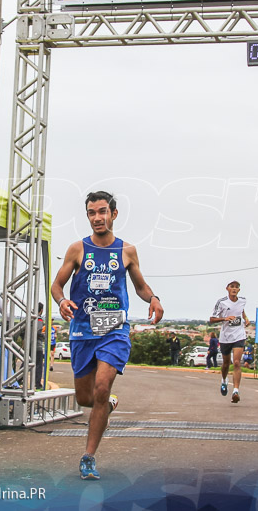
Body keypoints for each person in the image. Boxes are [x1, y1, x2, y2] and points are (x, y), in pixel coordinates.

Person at [50, 191, 163, 481]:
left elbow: (139, 286)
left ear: (114, 214)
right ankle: (107, 403)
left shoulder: (127, 251)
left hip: (114, 330)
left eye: (102, 212)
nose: (97, 218)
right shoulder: (78, 249)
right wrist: (62, 302)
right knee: (86, 397)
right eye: (91, 213)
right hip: (82, 331)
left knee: (102, 387)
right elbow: (57, 286)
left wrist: (152, 298)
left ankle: (88, 457)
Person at [209, 280, 248, 403]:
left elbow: (241, 311)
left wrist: (246, 319)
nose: (234, 289)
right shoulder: (222, 302)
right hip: (226, 337)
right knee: (226, 363)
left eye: (237, 287)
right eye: (232, 287)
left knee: (236, 362)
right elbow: (212, 319)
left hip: (239, 335)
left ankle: (236, 390)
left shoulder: (243, 300)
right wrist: (225, 318)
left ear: (239, 290)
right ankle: (224, 380)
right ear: (227, 288)